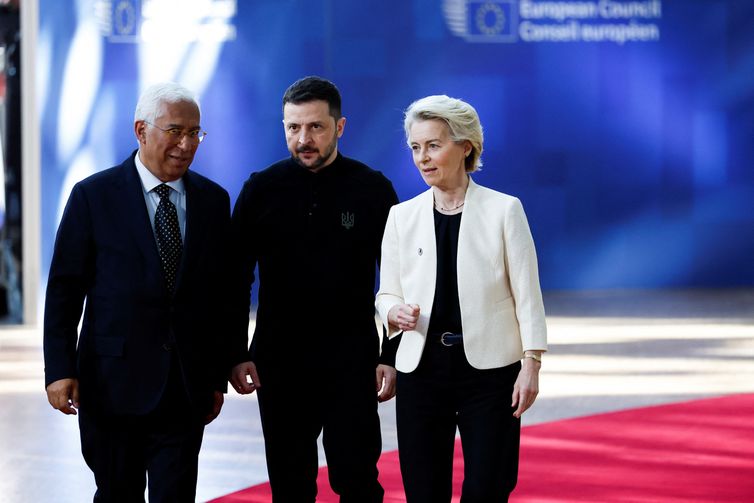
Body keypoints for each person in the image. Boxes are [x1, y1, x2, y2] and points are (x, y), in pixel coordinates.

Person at [44, 82, 232, 502]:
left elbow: (221, 296)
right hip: (110, 385)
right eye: (175, 131)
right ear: (140, 131)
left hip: (184, 389)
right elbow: (64, 291)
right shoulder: (93, 197)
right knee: (117, 493)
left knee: (175, 494)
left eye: (195, 133)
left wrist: (216, 374)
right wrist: (59, 368)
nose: (186, 145)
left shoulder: (213, 202)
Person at [229, 76, 399, 502]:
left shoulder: (372, 190)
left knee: (358, 480)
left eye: (316, 127)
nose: (303, 138)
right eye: (293, 127)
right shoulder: (260, 190)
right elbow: (234, 279)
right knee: (289, 485)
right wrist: (236, 352)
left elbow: (399, 279)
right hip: (279, 361)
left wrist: (390, 356)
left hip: (353, 361)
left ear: (340, 127)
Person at [375, 95, 548, 502]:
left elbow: (528, 294)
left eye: (433, 145)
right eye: (416, 148)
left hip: (490, 374)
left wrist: (532, 363)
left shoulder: (505, 210)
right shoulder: (402, 216)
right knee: (423, 490)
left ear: (465, 146)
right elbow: (386, 292)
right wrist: (392, 310)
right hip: (421, 371)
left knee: (489, 488)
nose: (423, 158)